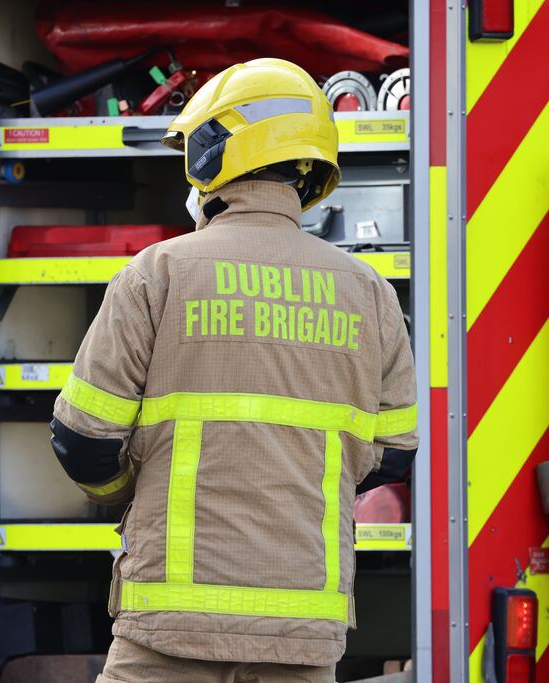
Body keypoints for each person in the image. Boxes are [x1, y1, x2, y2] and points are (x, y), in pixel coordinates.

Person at [50, 57, 418, 683]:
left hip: (167, 631)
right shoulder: (370, 294)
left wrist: (132, 495)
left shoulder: (156, 274)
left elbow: (82, 442)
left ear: (213, 155)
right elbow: (393, 457)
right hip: (302, 637)